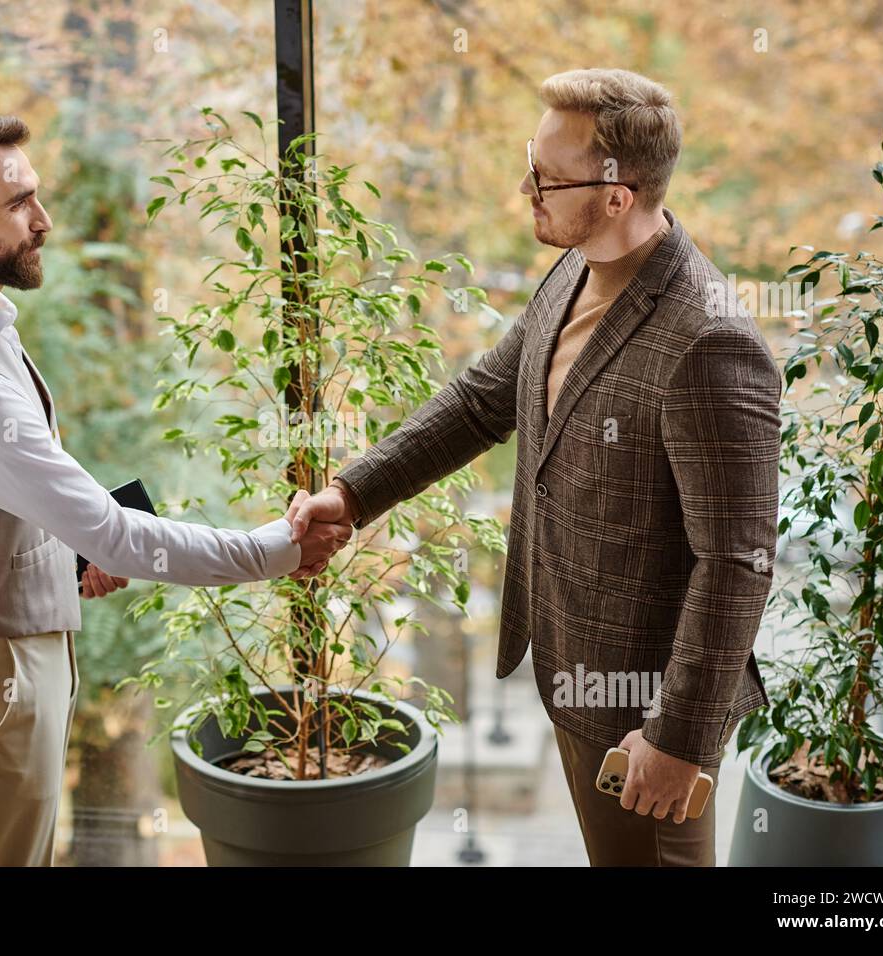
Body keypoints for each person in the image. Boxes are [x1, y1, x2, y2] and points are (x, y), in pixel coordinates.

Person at [288, 68, 782, 867]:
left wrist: (678, 739)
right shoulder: (576, 266)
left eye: (547, 177)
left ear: (618, 195)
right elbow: (487, 398)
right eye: (532, 160)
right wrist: (352, 493)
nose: (526, 187)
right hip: (571, 659)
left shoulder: (710, 341)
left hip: (644, 707)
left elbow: (736, 561)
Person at [0, 108, 351, 866]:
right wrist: (278, 552)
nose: (45, 219)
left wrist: (65, 556)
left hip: (1, 657)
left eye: (35, 193)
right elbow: (116, 534)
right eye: (18, 203)